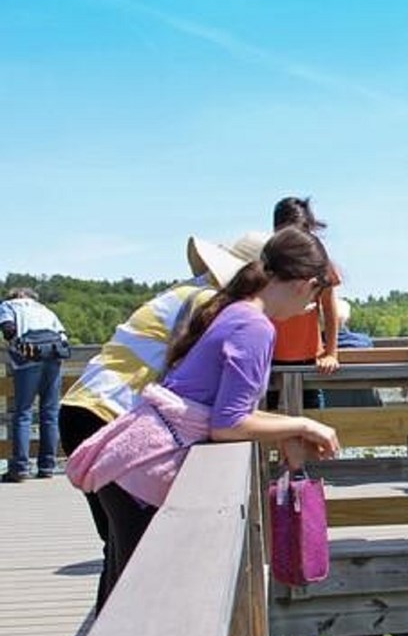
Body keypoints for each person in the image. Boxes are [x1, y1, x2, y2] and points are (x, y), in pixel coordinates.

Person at [66, 228, 340, 609]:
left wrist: (281, 430)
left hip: (133, 462)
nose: (311, 308)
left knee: (122, 592)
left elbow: (225, 407)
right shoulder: (256, 327)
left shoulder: (239, 311)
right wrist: (305, 424)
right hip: (146, 470)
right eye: (316, 297)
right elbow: (228, 424)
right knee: (136, 603)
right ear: (307, 285)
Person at [267, 196, 339, 411]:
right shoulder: (268, 260)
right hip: (271, 356)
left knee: (313, 417)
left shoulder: (318, 259)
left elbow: (329, 307)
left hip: (309, 358)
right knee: (269, 417)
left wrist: (331, 353)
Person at [1, 289, 69, 483]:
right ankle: (47, 466)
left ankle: (20, 468)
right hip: (54, 358)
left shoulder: (8, 306)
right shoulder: (45, 309)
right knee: (50, 413)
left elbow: (8, 329)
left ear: (15, 296)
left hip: (28, 359)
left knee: (23, 413)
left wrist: (15, 346)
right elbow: (63, 336)